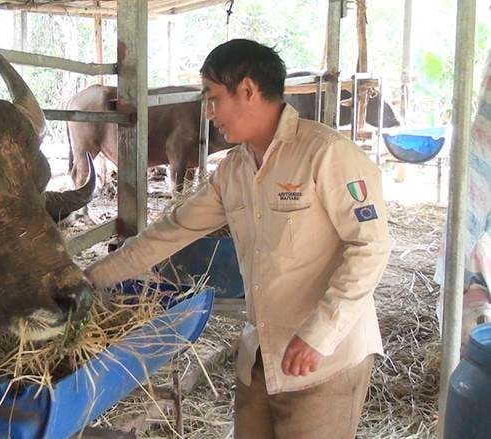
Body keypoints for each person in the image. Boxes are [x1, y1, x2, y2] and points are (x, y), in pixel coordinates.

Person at [84, 39, 391, 438]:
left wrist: (320, 332)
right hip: (261, 358)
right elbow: (170, 232)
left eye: (213, 98)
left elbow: (370, 247)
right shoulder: (233, 171)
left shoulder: (328, 155)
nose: (209, 114)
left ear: (247, 90)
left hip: (325, 363)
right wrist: (92, 278)